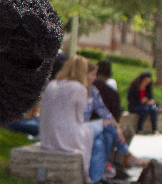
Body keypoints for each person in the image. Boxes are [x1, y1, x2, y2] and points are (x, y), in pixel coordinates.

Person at [39, 55, 117, 184]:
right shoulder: (79, 88)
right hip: (66, 136)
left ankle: (99, 177)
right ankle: (98, 177)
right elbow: (79, 120)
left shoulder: (51, 84)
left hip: (46, 136)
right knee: (102, 135)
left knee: (101, 136)